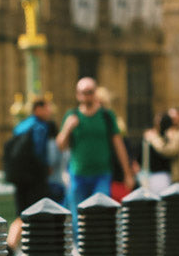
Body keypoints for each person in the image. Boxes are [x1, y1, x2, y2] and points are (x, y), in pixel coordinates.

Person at [55, 77, 134, 237]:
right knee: (77, 217)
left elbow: (119, 145)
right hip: (78, 175)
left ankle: (98, 245)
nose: (86, 96)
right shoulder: (72, 115)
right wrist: (67, 128)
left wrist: (128, 173)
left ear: (95, 93)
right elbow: (61, 146)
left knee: (100, 213)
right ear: (77, 95)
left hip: (102, 174)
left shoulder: (106, 116)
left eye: (90, 92)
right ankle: (81, 249)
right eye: (83, 93)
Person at [5, 97, 58, 256]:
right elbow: (40, 152)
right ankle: (39, 251)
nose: (50, 112)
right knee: (39, 212)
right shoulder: (40, 127)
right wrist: (47, 167)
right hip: (35, 179)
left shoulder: (21, 126)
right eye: (47, 108)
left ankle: (11, 243)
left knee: (21, 214)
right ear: (38, 109)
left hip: (19, 178)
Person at [142, 110, 178, 194]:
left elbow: (165, 150)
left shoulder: (169, 137)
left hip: (165, 175)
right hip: (156, 175)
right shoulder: (152, 137)